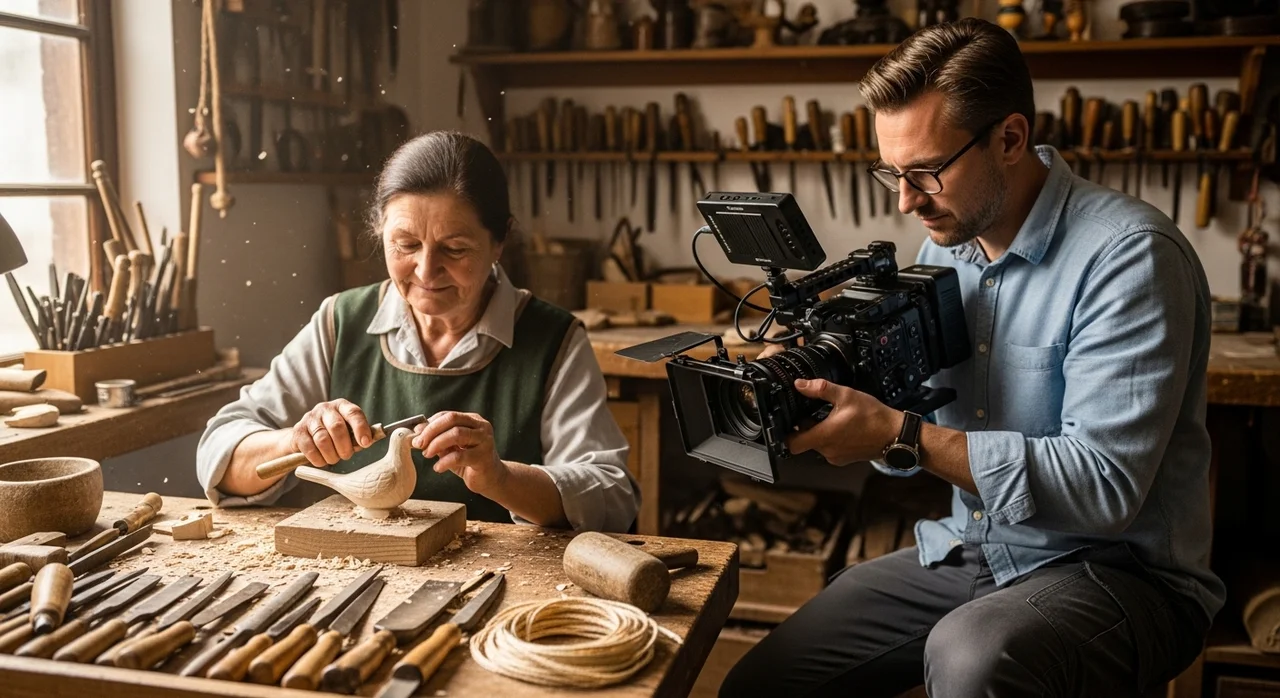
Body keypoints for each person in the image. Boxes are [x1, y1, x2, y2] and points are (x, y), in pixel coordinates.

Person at [720, 18, 1223, 698]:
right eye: (891, 174)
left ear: (1010, 138)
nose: (905, 200)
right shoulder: (943, 252)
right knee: (764, 681)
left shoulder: (1128, 258)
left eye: (926, 172)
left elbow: (1104, 488)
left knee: (971, 657)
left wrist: (902, 436)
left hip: (1122, 574)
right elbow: (911, 410)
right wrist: (836, 379)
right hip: (979, 546)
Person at [196, 131, 639, 533]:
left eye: (455, 248)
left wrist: (501, 478)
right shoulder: (340, 322)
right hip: (351, 576)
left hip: (504, 588)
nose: (426, 271)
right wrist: (294, 440)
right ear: (380, 231)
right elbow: (219, 453)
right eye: (405, 245)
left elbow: (613, 495)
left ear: (499, 241)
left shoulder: (553, 340)